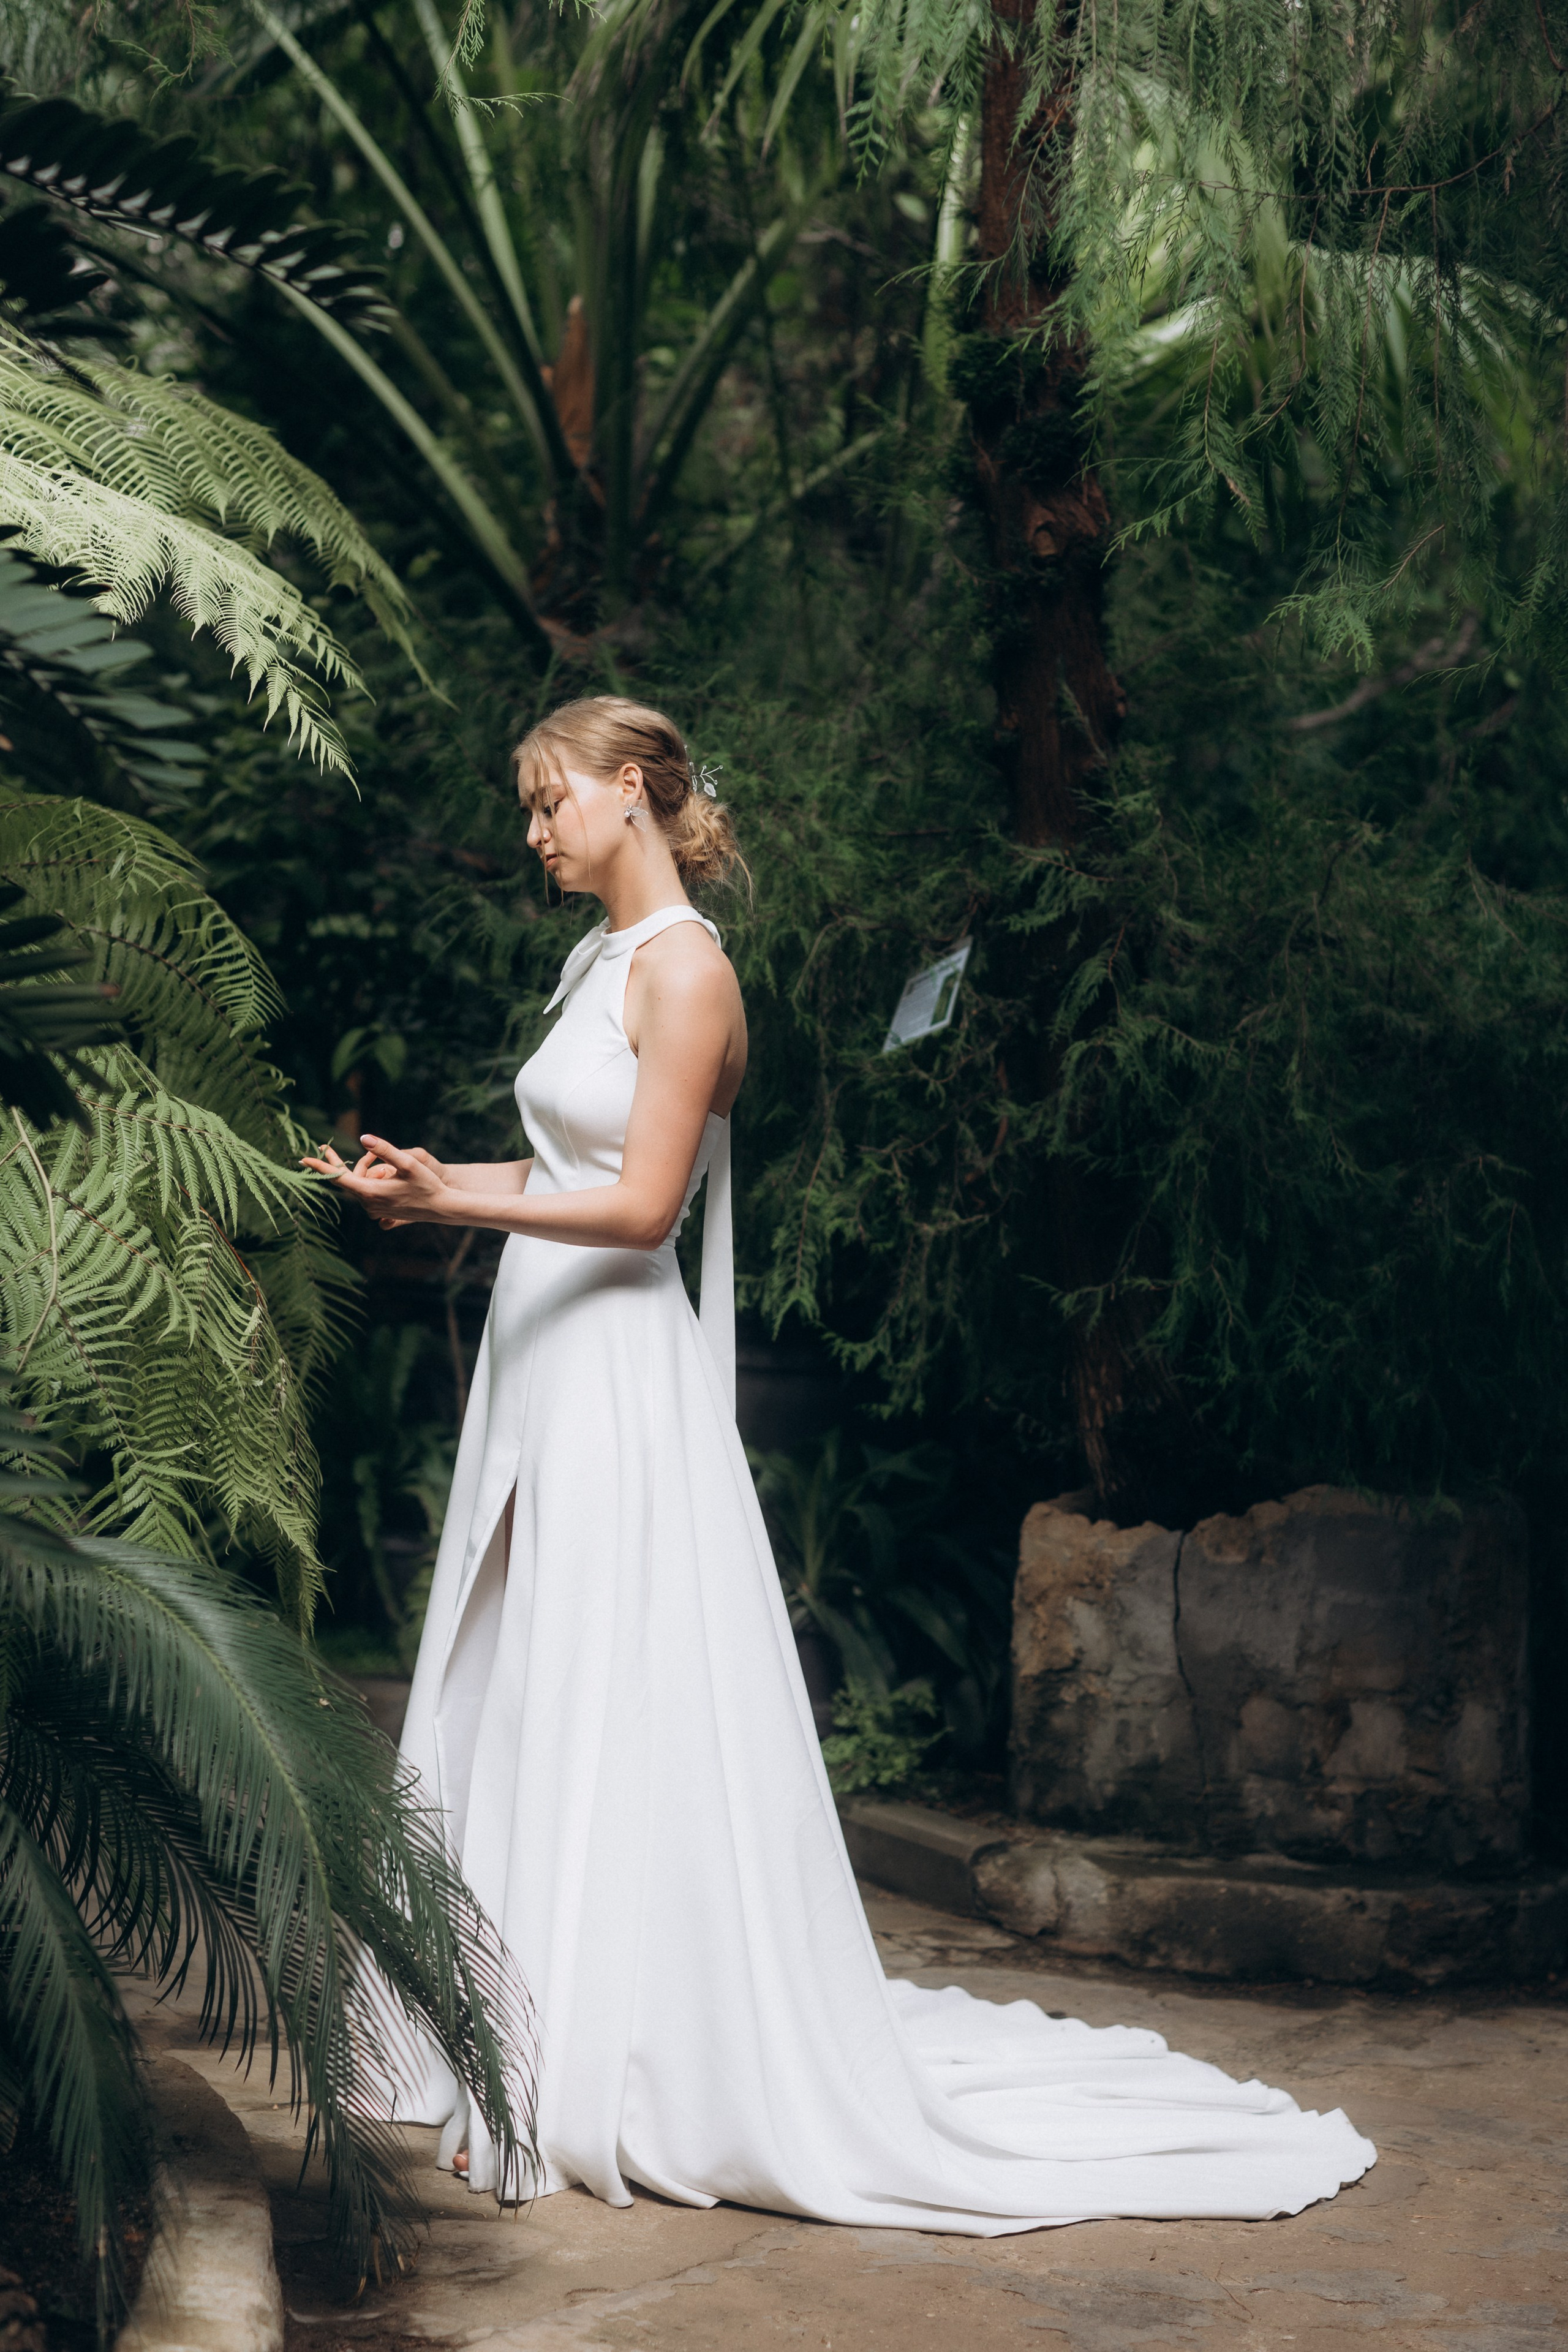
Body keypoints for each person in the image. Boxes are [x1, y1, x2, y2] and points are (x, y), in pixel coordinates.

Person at [303, 694, 1375, 2231]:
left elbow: (640, 1209)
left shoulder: (687, 974)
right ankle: (489, 2030)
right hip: (542, 1362)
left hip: (614, 1365)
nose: (533, 830)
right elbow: (559, 1168)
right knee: (521, 1670)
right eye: (528, 807)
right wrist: (428, 1185)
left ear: (630, 794)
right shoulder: (594, 961)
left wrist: (472, 1214)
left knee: (600, 1679)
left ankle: (576, 2060)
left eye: (550, 801)